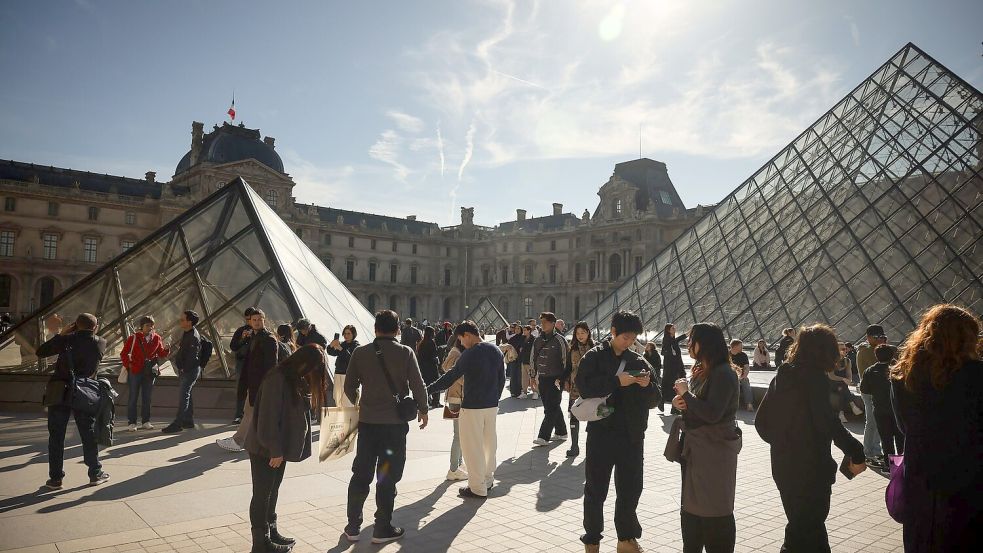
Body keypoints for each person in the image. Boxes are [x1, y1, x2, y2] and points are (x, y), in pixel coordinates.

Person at [755, 324, 867, 553]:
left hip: (783, 465)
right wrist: (855, 448)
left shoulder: (783, 375)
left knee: (802, 525)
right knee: (808, 528)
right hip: (812, 468)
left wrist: (783, 442)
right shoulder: (815, 379)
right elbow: (827, 422)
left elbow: (761, 423)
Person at [889, 304, 982, 552]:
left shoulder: (903, 375)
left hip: (921, 480)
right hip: (969, 482)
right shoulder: (977, 375)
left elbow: (903, 425)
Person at [344, 310, 429, 544]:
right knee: (387, 476)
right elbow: (418, 384)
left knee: (361, 473)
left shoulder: (360, 353)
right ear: (398, 329)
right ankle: (382, 528)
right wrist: (423, 409)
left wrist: (360, 402)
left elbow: (349, 387)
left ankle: (353, 527)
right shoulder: (405, 352)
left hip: (368, 424)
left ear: (375, 329)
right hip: (394, 427)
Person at [576, 311, 657, 553]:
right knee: (595, 489)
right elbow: (583, 387)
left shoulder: (639, 361)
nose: (629, 342)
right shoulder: (594, 357)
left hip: (632, 436)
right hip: (602, 434)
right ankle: (592, 539)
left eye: (633, 337)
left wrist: (647, 385)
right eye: (625, 337)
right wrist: (616, 382)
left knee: (631, 489)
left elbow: (656, 399)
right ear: (612, 332)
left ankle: (626, 538)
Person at [246, 344, 331, 553]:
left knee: (272, 491)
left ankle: (271, 532)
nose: (313, 373)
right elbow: (267, 418)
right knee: (262, 494)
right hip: (266, 448)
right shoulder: (278, 378)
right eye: (313, 368)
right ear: (303, 363)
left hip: (277, 448)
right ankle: (260, 544)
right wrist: (275, 450)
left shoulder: (293, 378)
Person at [671, 323, 741, 553]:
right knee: (691, 509)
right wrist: (680, 403)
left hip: (714, 452)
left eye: (693, 340)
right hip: (697, 449)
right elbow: (698, 407)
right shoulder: (703, 369)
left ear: (706, 343)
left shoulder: (724, 373)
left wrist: (685, 394)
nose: (689, 344)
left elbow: (712, 414)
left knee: (714, 510)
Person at [428, 320, 506, 499]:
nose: (461, 343)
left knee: (472, 447)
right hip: (491, 405)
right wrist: (495, 398)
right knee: (489, 445)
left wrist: (429, 389)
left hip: (472, 407)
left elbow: (451, 377)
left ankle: (477, 487)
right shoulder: (495, 350)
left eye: (461, 339)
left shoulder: (469, 354)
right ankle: (487, 480)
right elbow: (501, 379)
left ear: (468, 335)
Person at [40, 313, 110, 489]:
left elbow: (40, 352)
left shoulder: (65, 340)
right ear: (95, 326)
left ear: (75, 325)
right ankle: (95, 473)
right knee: (88, 434)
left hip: (60, 392)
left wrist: (62, 334)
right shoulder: (100, 342)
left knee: (56, 436)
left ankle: (55, 478)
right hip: (84, 392)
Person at [217, 309, 282, 449]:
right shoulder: (254, 336)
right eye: (254, 320)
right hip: (254, 383)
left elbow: (271, 365)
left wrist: (266, 385)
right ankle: (252, 442)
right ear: (249, 322)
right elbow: (237, 348)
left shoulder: (269, 339)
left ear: (265, 320)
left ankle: (238, 441)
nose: (257, 322)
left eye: (259, 319)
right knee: (251, 413)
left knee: (250, 412)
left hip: (261, 384)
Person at [120, 315, 169, 431]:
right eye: (147, 325)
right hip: (136, 371)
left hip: (149, 372)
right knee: (133, 397)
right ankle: (132, 422)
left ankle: (146, 421)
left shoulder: (157, 338)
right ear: (141, 327)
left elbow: (161, 354)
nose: (150, 327)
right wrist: (129, 365)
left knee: (147, 398)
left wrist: (166, 349)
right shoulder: (134, 338)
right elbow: (123, 353)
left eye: (152, 325)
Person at [531, 312, 569, 446]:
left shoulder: (560, 339)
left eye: (545, 322)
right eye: (541, 322)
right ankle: (561, 432)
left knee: (550, 408)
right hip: (542, 378)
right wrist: (532, 376)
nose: (543, 325)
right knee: (551, 406)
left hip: (556, 379)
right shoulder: (538, 340)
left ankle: (543, 436)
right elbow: (533, 358)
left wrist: (564, 379)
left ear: (553, 323)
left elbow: (566, 360)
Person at [860, 344, 902, 466]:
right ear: (892, 355)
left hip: (880, 410)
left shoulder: (869, 371)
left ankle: (889, 466)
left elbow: (865, 390)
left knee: (886, 439)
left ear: (876, 356)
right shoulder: (897, 369)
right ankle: (901, 465)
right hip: (897, 410)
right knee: (900, 439)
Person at [163, 310, 203, 434]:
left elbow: (192, 357)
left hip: (189, 371)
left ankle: (177, 423)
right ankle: (188, 421)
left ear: (189, 322)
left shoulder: (193, 336)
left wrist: (183, 368)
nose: (180, 321)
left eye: (182, 320)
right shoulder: (188, 333)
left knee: (184, 397)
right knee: (188, 395)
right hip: (188, 370)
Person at [563, 321, 594, 457]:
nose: (580, 336)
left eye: (583, 332)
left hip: (592, 389)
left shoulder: (595, 347)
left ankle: (592, 446)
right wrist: (563, 379)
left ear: (588, 333)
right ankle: (574, 446)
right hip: (575, 388)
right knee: (574, 416)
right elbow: (568, 367)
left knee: (593, 417)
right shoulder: (572, 348)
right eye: (578, 333)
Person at [855, 325, 885, 466]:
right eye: (876, 337)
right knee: (872, 421)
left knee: (879, 422)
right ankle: (868, 452)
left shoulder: (886, 350)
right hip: (869, 391)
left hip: (881, 391)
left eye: (882, 336)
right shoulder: (864, 352)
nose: (879, 339)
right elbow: (865, 373)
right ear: (868, 337)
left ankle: (876, 450)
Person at [441, 335, 468, 481]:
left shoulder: (455, 353)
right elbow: (456, 374)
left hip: (455, 396)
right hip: (458, 397)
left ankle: (458, 464)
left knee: (461, 434)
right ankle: (453, 469)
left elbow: (445, 368)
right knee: (459, 435)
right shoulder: (457, 354)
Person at [231, 308, 259, 424]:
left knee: (256, 389)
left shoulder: (261, 332)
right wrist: (242, 339)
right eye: (247, 319)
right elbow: (233, 347)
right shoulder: (240, 331)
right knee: (241, 389)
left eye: (250, 319)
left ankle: (255, 414)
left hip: (256, 363)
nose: (248, 322)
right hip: (242, 363)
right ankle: (239, 414)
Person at [327, 325, 359, 407]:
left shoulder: (356, 345)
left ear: (353, 334)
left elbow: (351, 358)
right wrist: (331, 345)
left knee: (347, 398)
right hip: (338, 373)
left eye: (348, 333)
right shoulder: (342, 344)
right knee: (337, 397)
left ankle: (349, 416)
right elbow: (331, 352)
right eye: (344, 333)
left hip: (348, 375)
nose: (346, 336)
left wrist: (341, 349)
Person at [661, 323, 685, 414]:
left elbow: (676, 340)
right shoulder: (667, 340)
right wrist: (672, 353)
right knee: (674, 385)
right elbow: (663, 352)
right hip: (671, 367)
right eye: (672, 328)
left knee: (676, 385)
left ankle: (673, 407)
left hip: (676, 366)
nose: (674, 329)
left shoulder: (672, 340)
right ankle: (672, 406)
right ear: (668, 330)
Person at [416, 326, 442, 408]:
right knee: (436, 383)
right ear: (431, 333)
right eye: (433, 332)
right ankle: (435, 401)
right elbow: (434, 355)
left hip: (423, 367)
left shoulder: (421, 343)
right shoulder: (431, 342)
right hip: (431, 367)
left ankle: (426, 400)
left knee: (426, 384)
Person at [730, 340, 753, 411]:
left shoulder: (743, 355)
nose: (742, 347)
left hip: (741, 376)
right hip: (729, 376)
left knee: (745, 381)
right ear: (735, 346)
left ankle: (749, 404)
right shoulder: (726, 355)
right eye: (741, 346)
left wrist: (744, 375)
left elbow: (746, 367)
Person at [506, 323, 526, 398]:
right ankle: (513, 391)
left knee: (519, 375)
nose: (517, 330)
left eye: (518, 329)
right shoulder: (512, 338)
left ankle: (519, 391)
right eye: (516, 329)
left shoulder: (524, 338)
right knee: (513, 375)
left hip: (521, 359)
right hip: (513, 359)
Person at [518, 325, 536, 399]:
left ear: (529, 331)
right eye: (524, 330)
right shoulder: (522, 338)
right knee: (524, 377)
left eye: (525, 330)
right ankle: (524, 392)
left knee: (532, 377)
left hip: (530, 361)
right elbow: (520, 347)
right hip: (523, 360)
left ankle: (535, 392)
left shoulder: (533, 339)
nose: (524, 332)